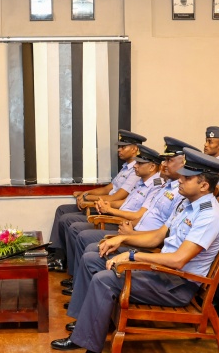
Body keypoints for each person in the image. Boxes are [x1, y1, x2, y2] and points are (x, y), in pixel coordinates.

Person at [50, 148, 219, 353]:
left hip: (177, 284)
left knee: (105, 279)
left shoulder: (209, 215)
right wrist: (123, 239)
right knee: (94, 258)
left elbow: (178, 260)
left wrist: (132, 256)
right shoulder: (187, 204)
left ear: (204, 185)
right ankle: (82, 332)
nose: (180, 180)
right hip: (163, 274)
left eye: (187, 178)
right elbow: (156, 238)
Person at [61, 137, 194, 312]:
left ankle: (83, 301)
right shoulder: (167, 188)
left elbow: (163, 243)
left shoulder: (192, 204)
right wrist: (126, 233)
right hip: (138, 236)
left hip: (160, 261)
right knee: (92, 251)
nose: (164, 165)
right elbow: (153, 226)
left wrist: (130, 246)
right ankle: (82, 298)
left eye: (169, 160)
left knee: (92, 250)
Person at [61, 145, 163, 287]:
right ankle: (79, 282)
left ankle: (79, 283)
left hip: (128, 227)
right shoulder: (141, 181)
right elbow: (124, 202)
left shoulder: (157, 186)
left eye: (139, 163)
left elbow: (138, 216)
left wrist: (109, 210)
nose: (135, 165)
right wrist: (105, 205)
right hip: (125, 225)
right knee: (80, 233)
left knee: (82, 235)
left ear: (151, 167)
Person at [47, 129, 145, 271]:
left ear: (135, 149)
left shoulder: (136, 173)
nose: (119, 150)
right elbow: (108, 189)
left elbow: (116, 197)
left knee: (69, 221)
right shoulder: (126, 168)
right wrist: (87, 193)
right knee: (62, 210)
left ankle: (71, 269)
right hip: (107, 206)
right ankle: (58, 256)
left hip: (112, 212)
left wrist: (88, 198)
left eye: (123, 147)